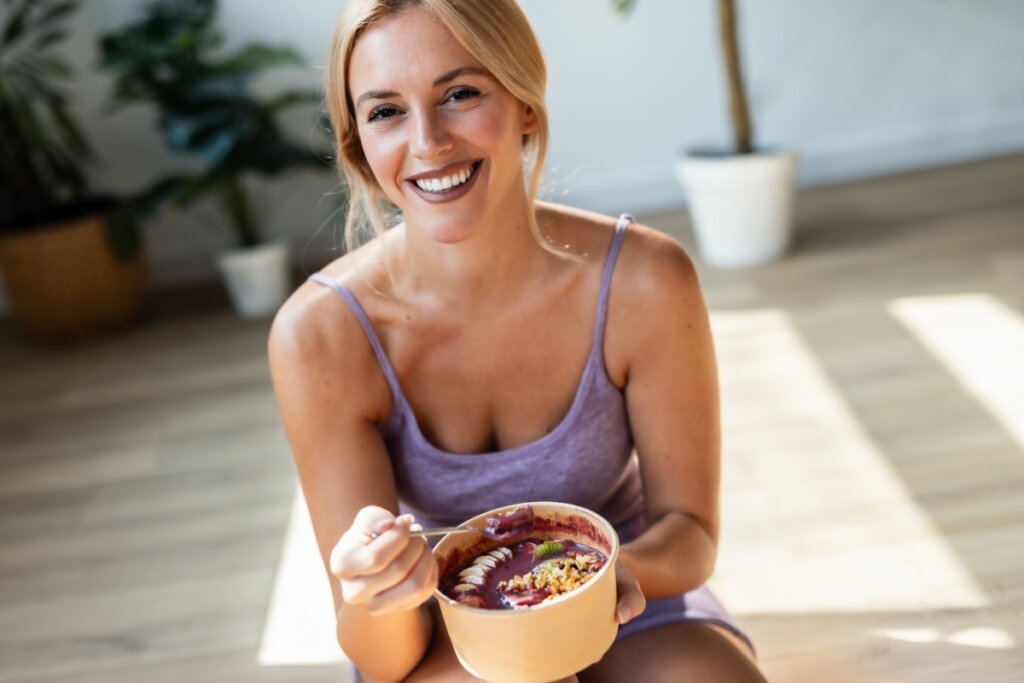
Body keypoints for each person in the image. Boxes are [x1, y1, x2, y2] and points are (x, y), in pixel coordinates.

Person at [269, 1, 769, 681]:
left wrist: (575, 582)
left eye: (461, 93)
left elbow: (690, 531)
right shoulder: (319, 335)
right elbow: (387, 658)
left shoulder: (644, 281)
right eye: (386, 111)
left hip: (623, 586)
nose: (428, 142)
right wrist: (378, 593)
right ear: (358, 140)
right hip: (438, 629)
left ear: (525, 103)